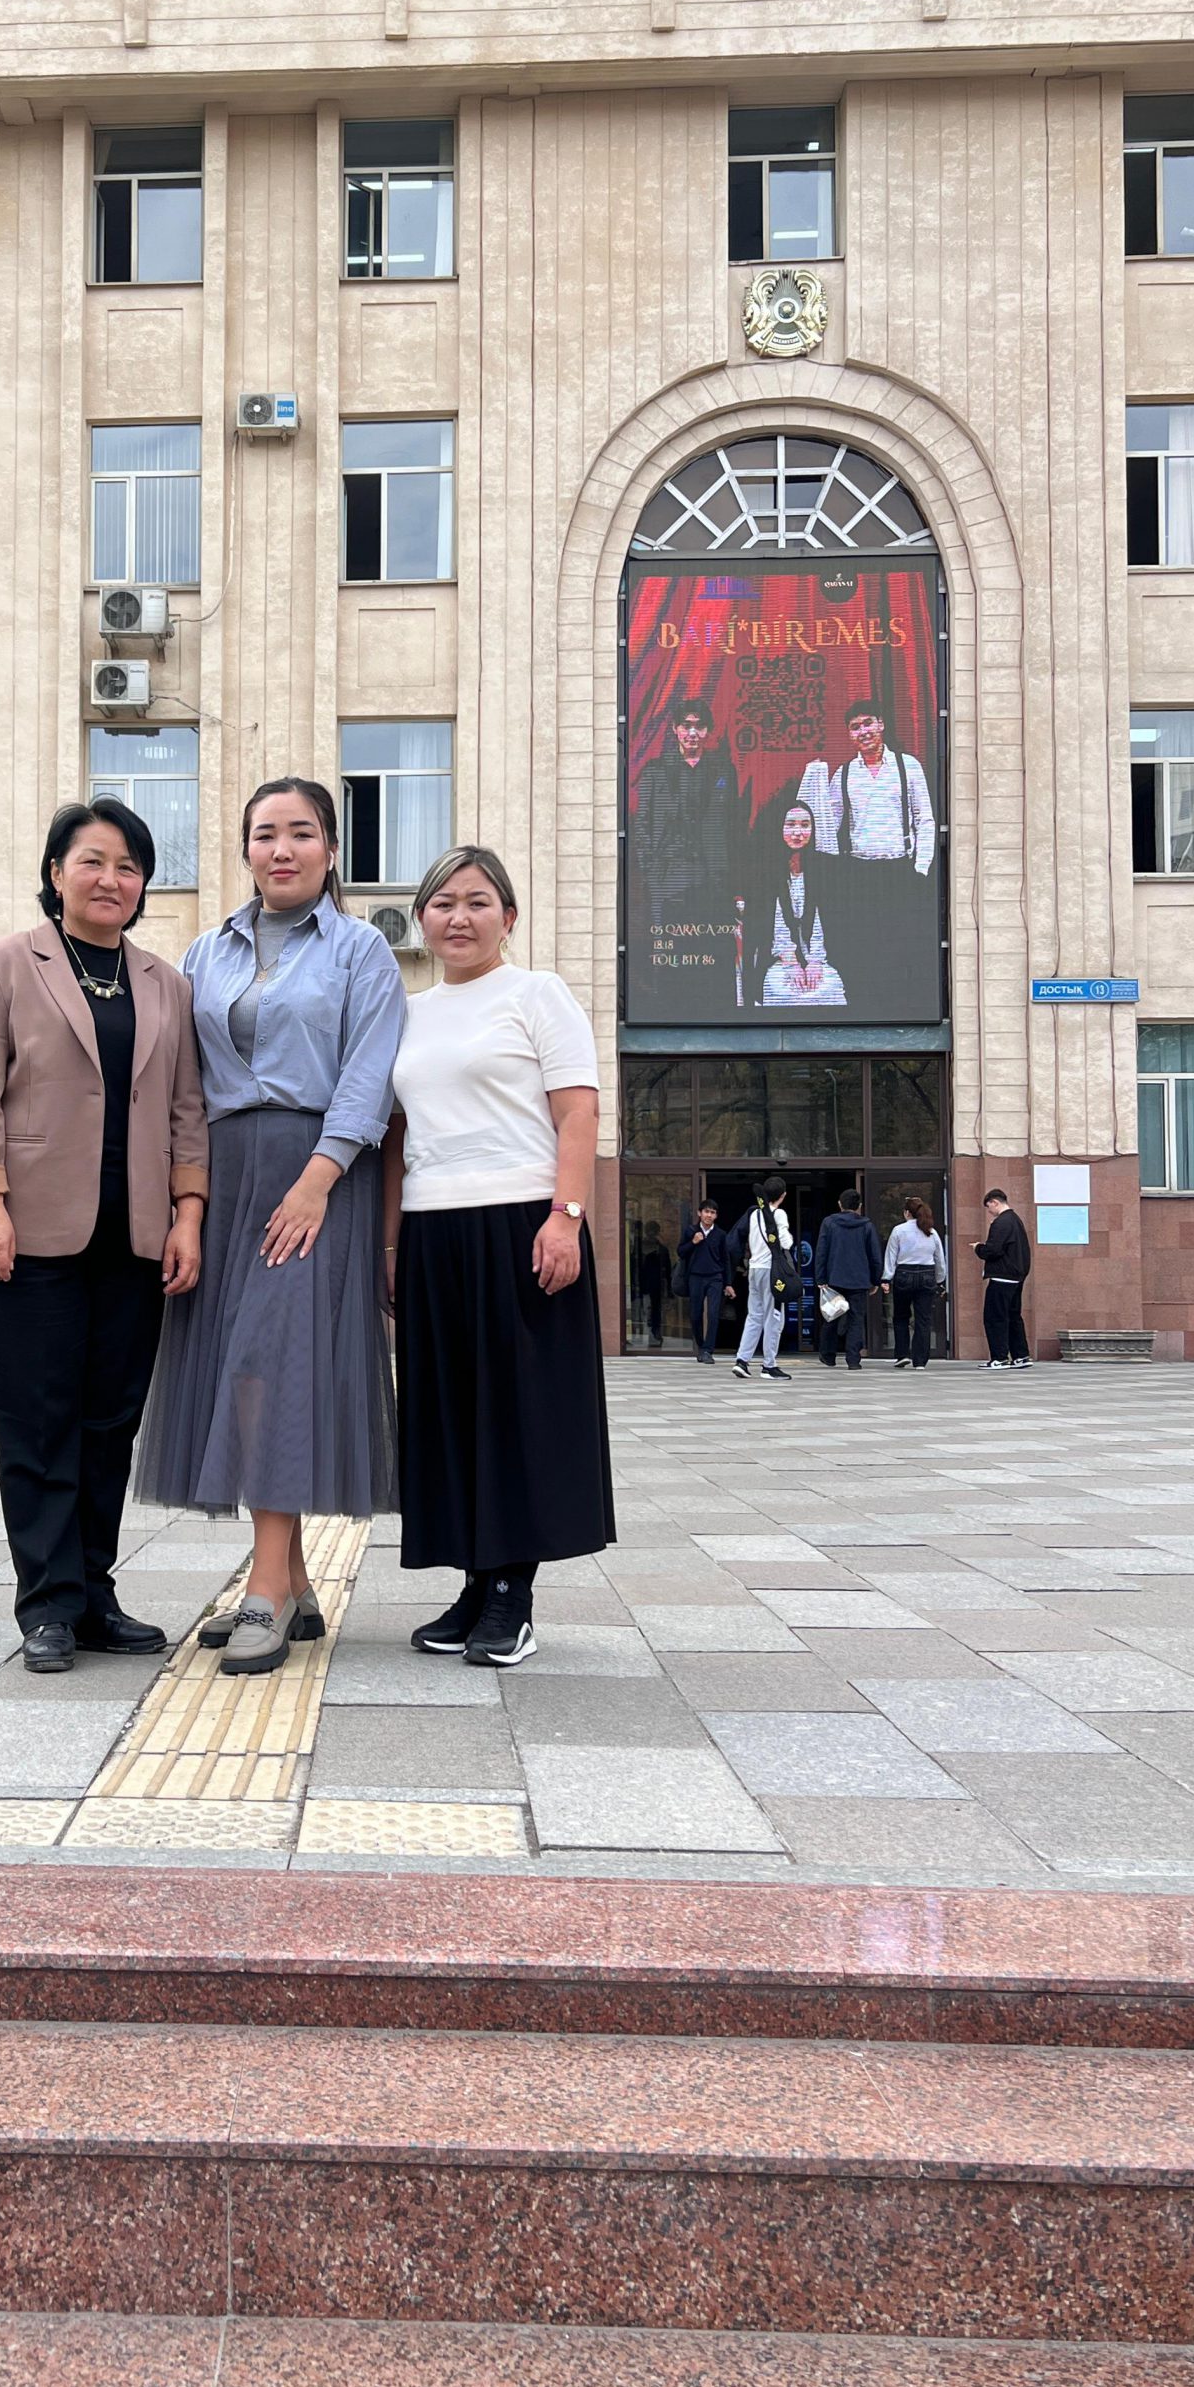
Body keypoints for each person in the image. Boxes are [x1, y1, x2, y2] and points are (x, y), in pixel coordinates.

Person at [136, 777, 405, 1677]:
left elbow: (369, 1075)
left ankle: (264, 1589)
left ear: (331, 848)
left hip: (316, 1172)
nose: (281, 849)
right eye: (264, 834)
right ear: (245, 848)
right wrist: (188, 1202)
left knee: (273, 1364)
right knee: (240, 1368)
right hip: (227, 1173)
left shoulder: (362, 950)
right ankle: (289, 1581)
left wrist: (319, 1180)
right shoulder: (204, 952)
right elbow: (184, 1084)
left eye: (300, 832)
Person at [0, 800, 208, 1674]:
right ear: (57, 872)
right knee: (37, 1422)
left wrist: (188, 1213)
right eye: (93, 861)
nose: (111, 879)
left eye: (129, 866)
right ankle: (47, 1605)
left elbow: (186, 1109)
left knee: (108, 1425)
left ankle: (95, 1595)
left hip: (133, 1240)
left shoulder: (166, 985)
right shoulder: (5, 966)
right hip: (28, 1235)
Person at [385, 845, 614, 1670]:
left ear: (508, 918)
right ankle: (475, 1584)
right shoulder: (407, 1013)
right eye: (443, 903)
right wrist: (389, 1243)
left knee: (522, 1409)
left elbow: (578, 1114)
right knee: (449, 1410)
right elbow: (396, 1137)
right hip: (431, 1227)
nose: (459, 917)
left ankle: (513, 1591)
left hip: (523, 1222)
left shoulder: (537, 995)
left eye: (478, 902)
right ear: (422, 918)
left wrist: (565, 1216)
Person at [633, 697, 742, 1016]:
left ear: (708, 731)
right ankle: (669, 1012)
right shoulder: (656, 771)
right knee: (672, 953)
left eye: (699, 726)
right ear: (675, 729)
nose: (692, 733)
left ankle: (714, 1013)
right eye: (686, 726)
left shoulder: (722, 770)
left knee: (710, 950)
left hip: (712, 877)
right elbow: (642, 825)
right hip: (669, 877)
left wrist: (727, 873)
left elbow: (733, 824)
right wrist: (652, 870)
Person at [824, 703, 937, 988]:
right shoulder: (844, 774)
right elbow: (828, 827)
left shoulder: (907, 766)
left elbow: (925, 820)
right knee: (865, 947)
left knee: (902, 947)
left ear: (881, 724)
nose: (863, 731)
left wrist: (921, 868)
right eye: (855, 727)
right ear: (849, 734)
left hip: (901, 872)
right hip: (859, 874)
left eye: (867, 723)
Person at [745, 799, 847, 1010]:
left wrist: (815, 962)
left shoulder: (825, 868)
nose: (798, 832)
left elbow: (824, 921)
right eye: (790, 825)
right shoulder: (763, 870)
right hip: (778, 955)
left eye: (805, 825)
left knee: (826, 987)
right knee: (784, 990)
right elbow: (770, 924)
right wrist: (791, 962)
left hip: (820, 955)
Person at [731, 1174, 795, 1382]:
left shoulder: (755, 1214)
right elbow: (785, 1243)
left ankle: (742, 1360)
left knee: (754, 1315)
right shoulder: (779, 1214)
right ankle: (769, 1365)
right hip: (772, 1271)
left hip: (755, 1268)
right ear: (783, 1195)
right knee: (774, 1318)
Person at [813, 1187, 882, 1371]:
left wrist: (820, 1278)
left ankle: (828, 1355)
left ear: (839, 1204)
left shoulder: (829, 1223)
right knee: (856, 1319)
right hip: (859, 1279)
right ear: (859, 1206)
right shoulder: (867, 1225)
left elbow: (821, 1252)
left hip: (834, 1278)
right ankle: (853, 1359)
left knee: (831, 1315)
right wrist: (875, 1280)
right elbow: (875, 1255)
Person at [883, 1195, 949, 1369]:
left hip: (904, 1273)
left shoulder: (899, 1230)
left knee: (901, 1316)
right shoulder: (931, 1232)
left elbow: (891, 1256)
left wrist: (886, 1278)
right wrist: (940, 1280)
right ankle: (920, 1360)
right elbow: (939, 1259)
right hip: (927, 1274)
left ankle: (902, 1354)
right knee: (923, 1319)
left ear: (907, 1213)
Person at [974, 1187, 1033, 1368]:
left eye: (988, 1207)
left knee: (995, 1317)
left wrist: (978, 1248)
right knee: (1013, 1316)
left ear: (995, 1202)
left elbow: (993, 1250)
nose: (989, 1211)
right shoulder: (1015, 1220)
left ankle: (999, 1357)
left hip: (1002, 1276)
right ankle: (1020, 1355)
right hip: (1017, 1276)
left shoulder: (1001, 1223)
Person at [680, 1199, 736, 1364]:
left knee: (713, 1314)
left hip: (715, 1278)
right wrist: (693, 1242)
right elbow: (680, 1252)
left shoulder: (720, 1234)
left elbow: (725, 1260)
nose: (709, 1215)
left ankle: (708, 1350)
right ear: (699, 1213)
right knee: (695, 1314)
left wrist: (728, 1283)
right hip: (695, 1277)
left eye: (712, 1212)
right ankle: (701, 1346)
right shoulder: (691, 1231)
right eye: (706, 1211)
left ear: (716, 1216)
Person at [636, 1220, 670, 1350]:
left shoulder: (661, 1249)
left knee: (655, 1310)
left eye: (653, 1231)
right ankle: (650, 1333)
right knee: (645, 1310)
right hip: (643, 1284)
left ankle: (655, 1333)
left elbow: (667, 1270)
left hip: (655, 1284)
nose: (651, 1234)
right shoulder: (638, 1247)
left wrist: (668, 1289)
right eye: (650, 1231)